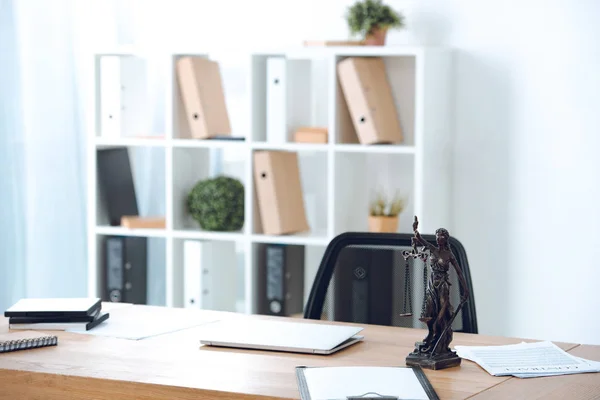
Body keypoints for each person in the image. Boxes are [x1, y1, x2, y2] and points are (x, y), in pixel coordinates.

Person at [412, 221, 470, 356]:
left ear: (446, 238)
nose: (438, 238)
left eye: (441, 236)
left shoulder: (449, 255)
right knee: (429, 311)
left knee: (441, 313)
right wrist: (416, 231)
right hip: (432, 283)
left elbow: (459, 272)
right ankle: (431, 334)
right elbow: (420, 240)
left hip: (442, 284)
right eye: (437, 236)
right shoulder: (432, 249)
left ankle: (440, 337)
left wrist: (465, 289)